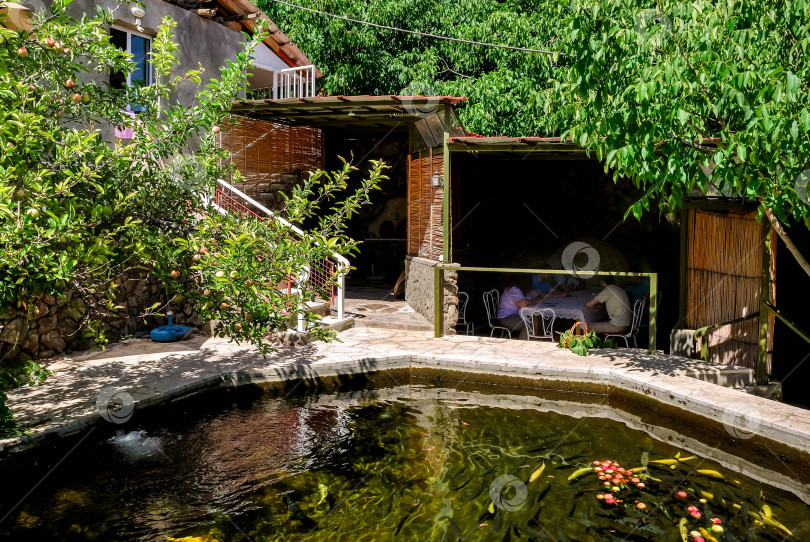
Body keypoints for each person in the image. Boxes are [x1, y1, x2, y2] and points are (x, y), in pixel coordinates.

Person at [497, 274, 546, 339]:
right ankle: (521, 346)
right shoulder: (513, 289)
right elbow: (523, 303)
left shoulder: (524, 289)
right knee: (528, 324)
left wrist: (537, 298)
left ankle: (531, 341)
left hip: (517, 315)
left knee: (536, 321)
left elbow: (536, 295)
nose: (531, 282)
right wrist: (536, 301)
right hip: (506, 316)